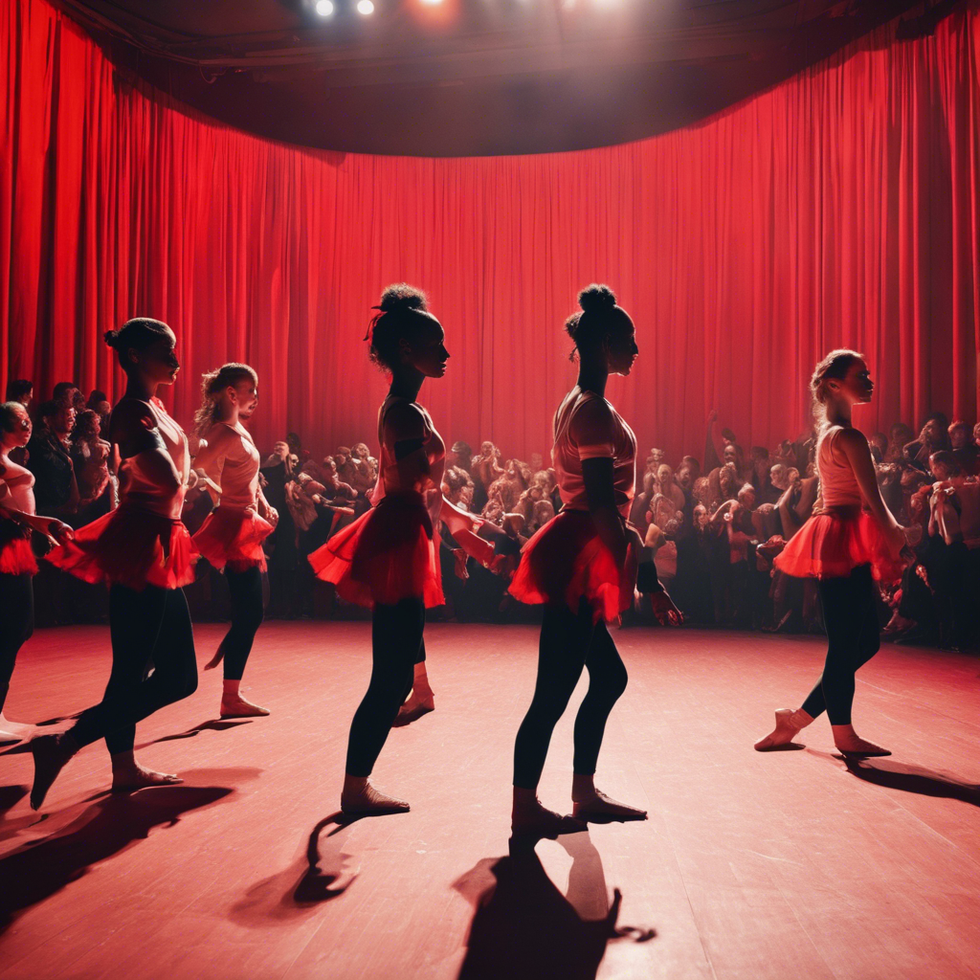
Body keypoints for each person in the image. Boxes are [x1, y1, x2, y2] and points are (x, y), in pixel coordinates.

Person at [308, 285, 497, 816]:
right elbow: (420, 488)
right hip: (400, 536)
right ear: (409, 351)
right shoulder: (405, 414)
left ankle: (358, 782)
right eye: (436, 343)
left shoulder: (404, 408)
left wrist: (460, 529)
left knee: (394, 667)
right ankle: (354, 787)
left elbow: (418, 488)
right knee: (388, 676)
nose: (447, 353)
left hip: (405, 531)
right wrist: (465, 536)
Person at [508, 284, 681, 839]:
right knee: (553, 694)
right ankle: (526, 806)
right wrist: (648, 579)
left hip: (581, 543)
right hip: (582, 547)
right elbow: (607, 510)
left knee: (606, 677)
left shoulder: (581, 403)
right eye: (628, 341)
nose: (635, 350)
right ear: (605, 344)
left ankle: (582, 793)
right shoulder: (593, 411)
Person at [29, 318, 199, 810]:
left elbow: (174, 476)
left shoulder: (156, 409)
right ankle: (67, 745)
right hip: (141, 539)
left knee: (148, 669)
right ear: (133, 358)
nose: (175, 359)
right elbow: (167, 481)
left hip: (160, 538)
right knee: (160, 672)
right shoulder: (129, 411)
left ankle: (115, 763)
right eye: (164, 352)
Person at [755, 350, 906, 756]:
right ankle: (843, 735)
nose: (870, 379)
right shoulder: (849, 437)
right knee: (846, 645)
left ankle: (797, 719)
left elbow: (834, 497)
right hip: (843, 535)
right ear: (835, 385)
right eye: (862, 374)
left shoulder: (830, 435)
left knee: (863, 642)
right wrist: (896, 537)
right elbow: (872, 500)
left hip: (840, 534)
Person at [191, 363, 279, 718]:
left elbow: (251, 476)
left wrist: (265, 504)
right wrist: (218, 494)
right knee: (251, 610)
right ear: (231, 394)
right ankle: (230, 697)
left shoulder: (239, 429)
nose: (256, 397)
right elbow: (195, 469)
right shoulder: (222, 433)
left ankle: (231, 692)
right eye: (250, 390)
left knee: (254, 608)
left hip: (244, 523)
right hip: (231, 526)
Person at [0, 402, 73, 742]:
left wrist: (42, 530)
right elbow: (7, 510)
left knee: (18, 626)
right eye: (20, 421)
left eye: (29, 421)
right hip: (5, 544)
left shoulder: (10, 459)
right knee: (14, 626)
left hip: (18, 543)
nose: (28, 426)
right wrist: (41, 524)